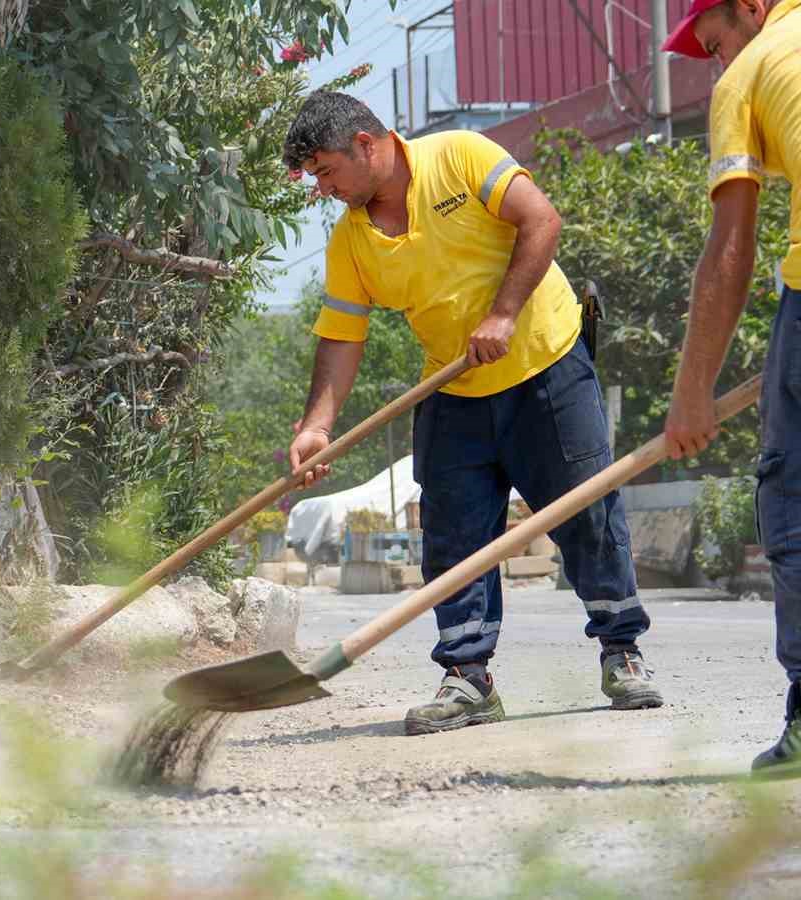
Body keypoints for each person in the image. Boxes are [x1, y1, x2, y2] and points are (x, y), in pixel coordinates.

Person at [280, 92, 661, 735]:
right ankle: (468, 677)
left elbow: (542, 220)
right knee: (454, 536)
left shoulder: (459, 155)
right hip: (453, 387)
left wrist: (504, 313)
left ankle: (621, 650)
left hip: (546, 365)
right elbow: (342, 335)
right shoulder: (351, 239)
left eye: (326, 171)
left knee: (587, 516)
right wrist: (317, 426)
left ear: (365, 145)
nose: (323, 188)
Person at [660, 0, 801, 776]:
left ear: (750, 7)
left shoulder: (749, 74)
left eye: (715, 43)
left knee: (795, 504)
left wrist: (692, 393)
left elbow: (731, 245)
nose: (717, 63)